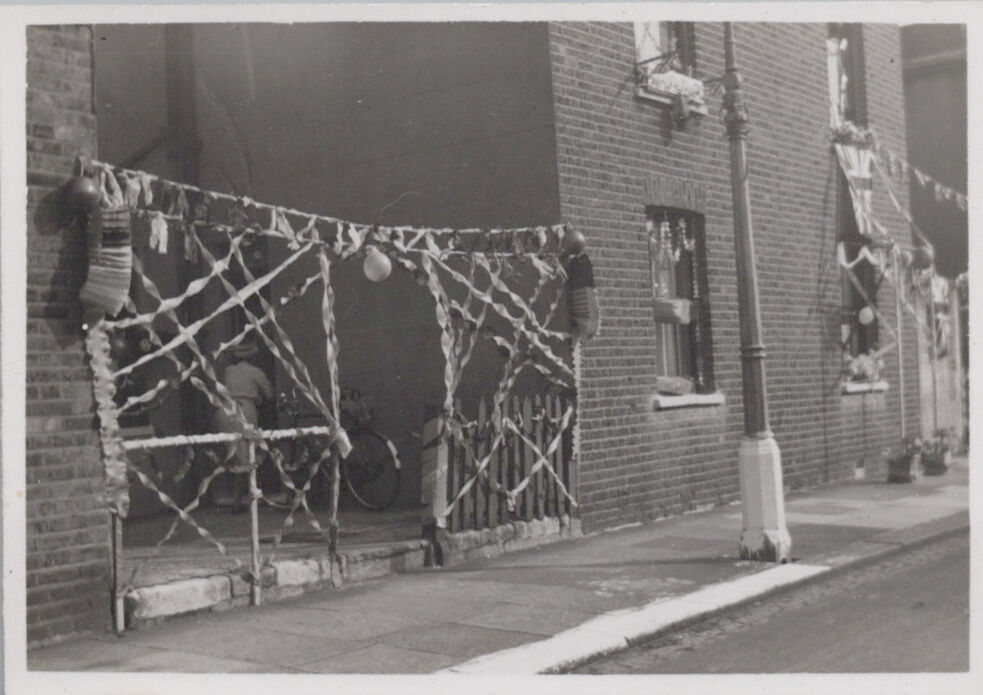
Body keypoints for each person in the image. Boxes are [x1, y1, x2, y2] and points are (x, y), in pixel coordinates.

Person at [211, 336, 274, 511]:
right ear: (253, 358)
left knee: (235, 455)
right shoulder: (256, 372)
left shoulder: (228, 371)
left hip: (224, 411)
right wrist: (258, 397)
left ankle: (237, 498)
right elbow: (269, 395)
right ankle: (242, 499)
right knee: (248, 456)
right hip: (244, 410)